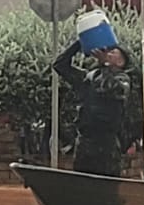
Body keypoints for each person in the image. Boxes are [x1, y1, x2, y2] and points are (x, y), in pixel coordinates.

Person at [52, 39, 133, 176]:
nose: (107, 53)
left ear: (121, 62)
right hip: (85, 141)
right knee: (83, 184)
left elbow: (110, 88)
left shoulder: (122, 79)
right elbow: (60, 65)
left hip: (107, 144)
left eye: (113, 52)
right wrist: (81, 42)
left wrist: (105, 64)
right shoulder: (88, 77)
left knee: (107, 185)